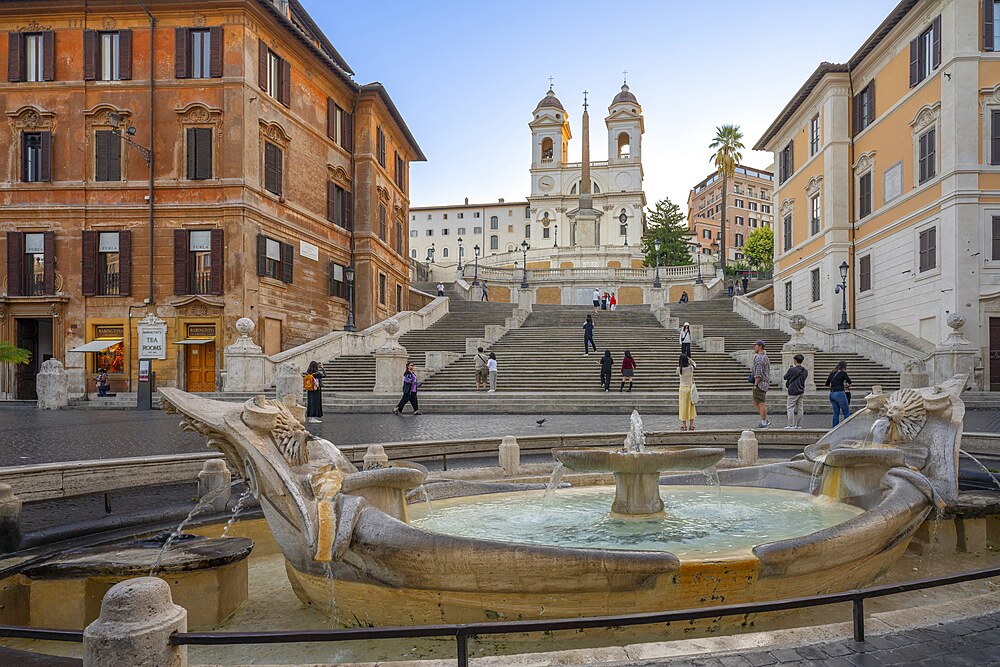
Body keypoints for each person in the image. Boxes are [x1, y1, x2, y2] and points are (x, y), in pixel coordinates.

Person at [783, 354, 808, 429]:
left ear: (795, 361)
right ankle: (799, 425)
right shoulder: (805, 370)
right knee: (800, 408)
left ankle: (790, 425)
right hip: (801, 390)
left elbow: (785, 377)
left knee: (790, 408)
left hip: (793, 391)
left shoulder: (792, 370)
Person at [825, 360, 853, 427]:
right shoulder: (843, 373)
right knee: (846, 412)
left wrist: (833, 386)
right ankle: (848, 428)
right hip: (840, 393)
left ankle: (834, 428)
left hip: (832, 394)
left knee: (836, 413)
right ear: (844, 367)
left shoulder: (832, 372)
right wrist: (845, 387)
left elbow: (827, 384)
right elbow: (850, 383)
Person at [751, 340, 771, 428]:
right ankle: (764, 420)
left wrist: (756, 384)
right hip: (764, 383)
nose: (754, 347)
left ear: (760, 346)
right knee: (756, 402)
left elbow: (758, 373)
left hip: (760, 383)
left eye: (755, 346)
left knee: (760, 402)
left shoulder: (759, 358)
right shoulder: (765, 357)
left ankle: (764, 422)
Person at [677, 354, 698, 430]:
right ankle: (691, 425)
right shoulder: (691, 368)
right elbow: (695, 364)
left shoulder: (679, 369)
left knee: (683, 407)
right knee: (691, 407)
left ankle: (684, 425)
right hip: (690, 389)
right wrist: (690, 360)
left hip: (682, 389)